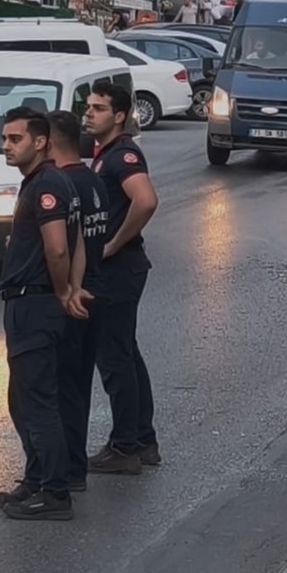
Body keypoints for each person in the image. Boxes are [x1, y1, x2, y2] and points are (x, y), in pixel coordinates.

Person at [0, 107, 84, 520]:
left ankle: (55, 493)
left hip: (34, 304)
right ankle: (36, 478)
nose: (7, 147)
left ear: (40, 141)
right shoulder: (41, 183)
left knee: (38, 403)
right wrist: (69, 287)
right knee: (21, 399)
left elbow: (60, 247)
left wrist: (64, 289)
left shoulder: (47, 184)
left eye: (15, 139)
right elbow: (77, 240)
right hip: (26, 302)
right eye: (5, 139)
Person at [83, 81, 161, 474]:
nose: (88, 113)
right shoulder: (106, 155)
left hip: (119, 270)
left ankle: (125, 446)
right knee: (126, 354)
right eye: (88, 106)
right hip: (123, 270)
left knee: (114, 359)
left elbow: (145, 200)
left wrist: (113, 245)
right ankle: (142, 439)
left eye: (98, 108)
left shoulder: (122, 155)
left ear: (119, 116)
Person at [45, 110, 110, 491]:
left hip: (73, 294)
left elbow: (64, 246)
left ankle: (65, 469)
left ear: (49, 142)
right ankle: (75, 464)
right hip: (96, 287)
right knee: (78, 386)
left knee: (60, 387)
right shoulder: (93, 180)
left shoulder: (63, 185)